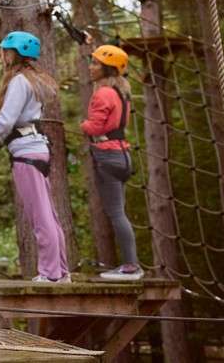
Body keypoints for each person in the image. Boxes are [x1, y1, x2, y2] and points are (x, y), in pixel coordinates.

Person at [0, 32, 71, 283]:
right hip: (36, 149)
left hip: (27, 154)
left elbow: (6, 121)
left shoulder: (20, 81)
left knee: (40, 216)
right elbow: (13, 123)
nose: (2, 56)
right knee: (48, 214)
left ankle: (51, 274)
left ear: (12, 53)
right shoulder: (33, 80)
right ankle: (60, 271)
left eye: (4, 51)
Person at [81, 44, 144, 281]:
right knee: (120, 212)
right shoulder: (121, 93)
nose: (91, 66)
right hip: (122, 155)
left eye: (96, 63)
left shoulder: (103, 94)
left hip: (107, 156)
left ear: (107, 69)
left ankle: (130, 266)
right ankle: (130, 264)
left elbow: (95, 126)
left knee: (116, 213)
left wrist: (83, 126)